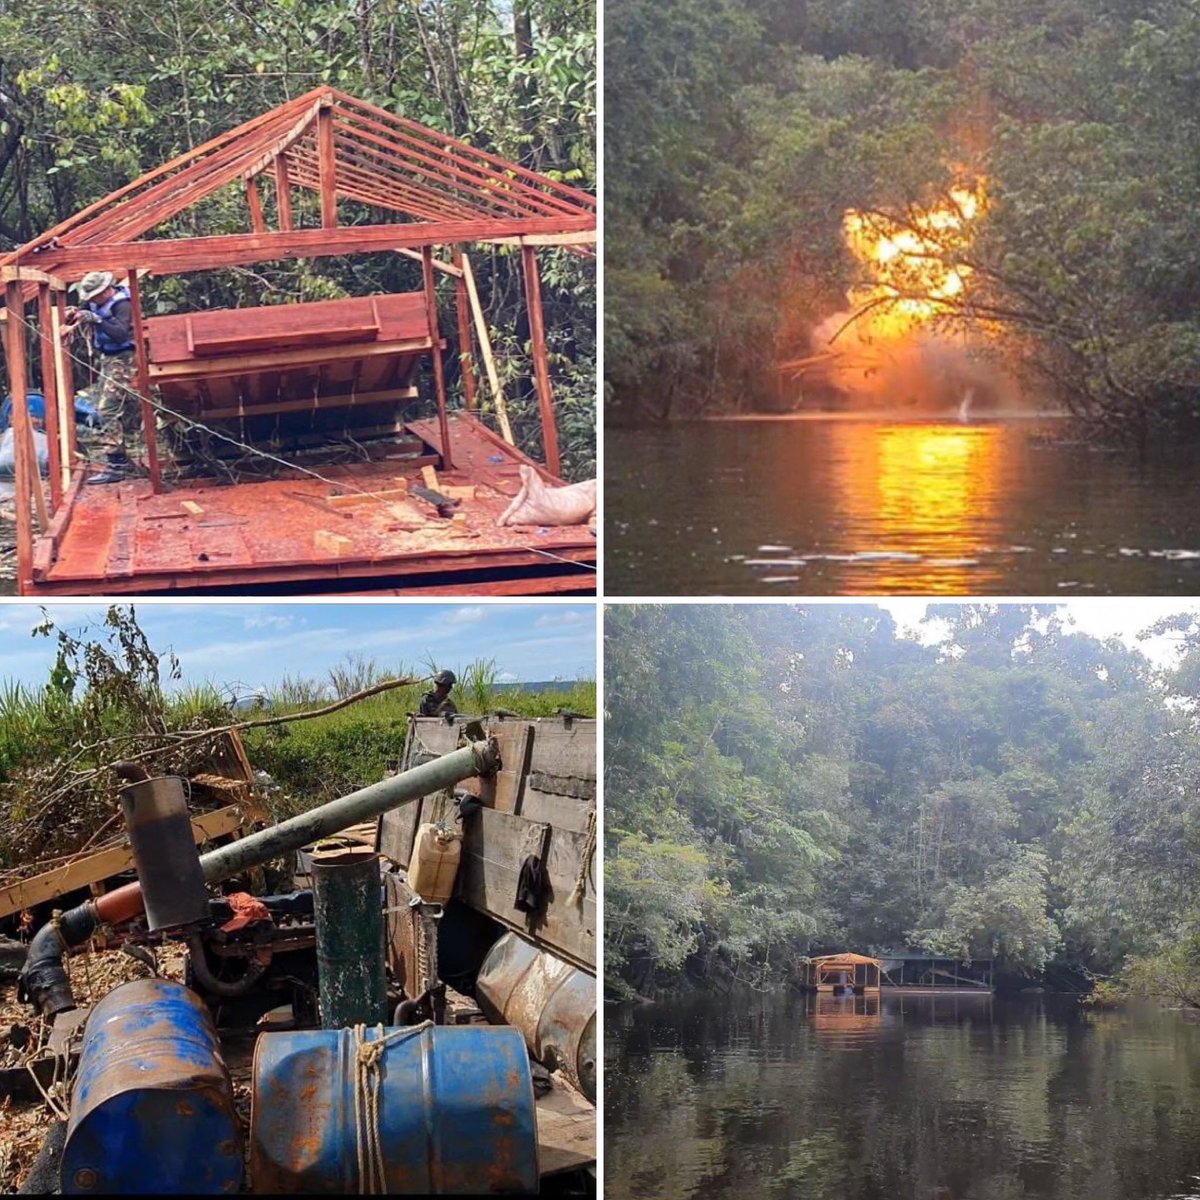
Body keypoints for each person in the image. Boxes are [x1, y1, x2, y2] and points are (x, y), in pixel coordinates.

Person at [64, 271, 141, 484]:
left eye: (95, 296)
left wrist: (96, 319)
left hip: (124, 359)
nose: (93, 301)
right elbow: (86, 310)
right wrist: (76, 313)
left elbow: (120, 334)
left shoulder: (122, 304)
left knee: (108, 409)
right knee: (114, 407)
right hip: (108, 359)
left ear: (107, 290)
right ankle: (121, 460)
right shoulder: (97, 302)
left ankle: (117, 464)